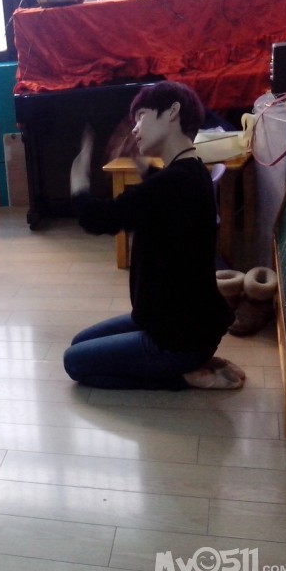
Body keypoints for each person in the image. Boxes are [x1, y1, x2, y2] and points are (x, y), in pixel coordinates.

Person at [63, 81, 244, 391]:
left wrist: (78, 183)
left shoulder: (173, 184)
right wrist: (142, 165)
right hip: (174, 322)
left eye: (142, 116)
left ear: (172, 112)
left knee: (74, 362)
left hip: (175, 339)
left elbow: (98, 218)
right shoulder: (193, 172)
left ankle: (181, 376)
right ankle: (187, 363)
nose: (134, 128)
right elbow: (163, 197)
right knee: (80, 342)